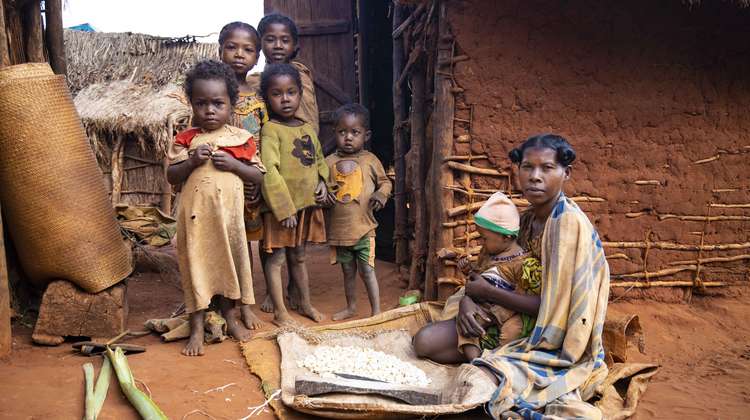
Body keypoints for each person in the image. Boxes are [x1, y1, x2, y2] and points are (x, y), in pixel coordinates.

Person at [462, 134, 610, 418]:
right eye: (527, 167)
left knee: (481, 378)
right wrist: (470, 300)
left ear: (566, 173)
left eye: (547, 168)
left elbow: (553, 309)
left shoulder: (567, 225)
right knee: (431, 342)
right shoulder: (529, 219)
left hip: (554, 339)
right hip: (516, 314)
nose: (535, 177)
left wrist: (488, 294)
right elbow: (495, 273)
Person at [167, 60, 265, 356]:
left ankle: (232, 319)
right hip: (196, 221)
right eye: (202, 103)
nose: (210, 110)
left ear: (232, 105)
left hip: (229, 221)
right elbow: (172, 176)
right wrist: (193, 160)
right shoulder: (186, 140)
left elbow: (258, 174)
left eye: (218, 103)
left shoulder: (242, 140)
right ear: (192, 104)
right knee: (196, 268)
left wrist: (235, 164)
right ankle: (196, 328)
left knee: (229, 266)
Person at [414, 191, 542, 362]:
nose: (481, 243)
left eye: (484, 238)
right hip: (474, 309)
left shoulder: (523, 264)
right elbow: (480, 277)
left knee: (424, 341)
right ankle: (475, 357)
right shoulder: (489, 253)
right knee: (421, 343)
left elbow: (523, 303)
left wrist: (483, 299)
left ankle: (477, 361)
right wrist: (469, 275)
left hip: (496, 319)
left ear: (507, 237)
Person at [249, 13, 320, 313]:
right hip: (272, 165)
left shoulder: (299, 76)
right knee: (270, 240)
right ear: (260, 43)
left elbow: (310, 123)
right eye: (270, 39)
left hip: (298, 165)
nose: (277, 45)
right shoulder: (260, 81)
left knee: (296, 246)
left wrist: (315, 172)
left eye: (285, 40)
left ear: (295, 44)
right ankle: (273, 292)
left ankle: (294, 291)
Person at [259, 63, 328, 326]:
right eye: (277, 94)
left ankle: (306, 303)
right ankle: (280, 312)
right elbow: (269, 171)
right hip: (282, 210)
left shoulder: (307, 128)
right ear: (267, 98)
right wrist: (284, 208)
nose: (285, 99)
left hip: (304, 206)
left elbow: (319, 160)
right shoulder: (271, 130)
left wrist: (323, 182)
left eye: (291, 92)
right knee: (276, 259)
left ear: (300, 94)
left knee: (299, 256)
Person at [218, 21, 267, 331]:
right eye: (232, 47)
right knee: (222, 242)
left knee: (245, 245)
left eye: (248, 50)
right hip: (221, 178)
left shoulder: (261, 95)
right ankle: (225, 306)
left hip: (250, 180)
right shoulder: (213, 92)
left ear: (258, 56)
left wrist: (259, 177)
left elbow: (267, 137)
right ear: (220, 50)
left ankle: (245, 304)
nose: (239, 54)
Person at [322, 104, 391, 321]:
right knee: (348, 273)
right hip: (340, 232)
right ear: (335, 134)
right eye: (342, 132)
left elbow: (385, 182)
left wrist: (381, 195)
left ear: (366, 135)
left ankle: (376, 311)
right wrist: (322, 193)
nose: (348, 137)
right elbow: (319, 185)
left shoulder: (370, 160)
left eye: (355, 132)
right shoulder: (328, 162)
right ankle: (351, 307)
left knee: (368, 271)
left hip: (364, 229)